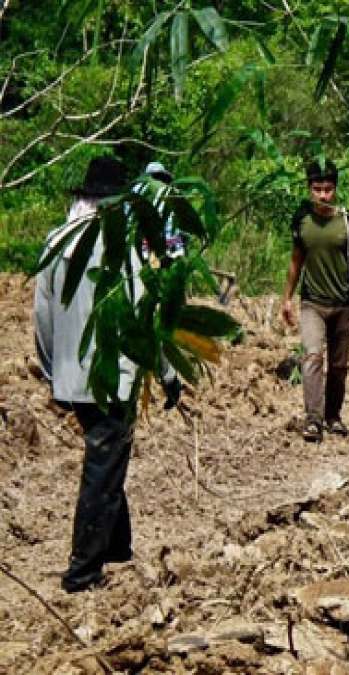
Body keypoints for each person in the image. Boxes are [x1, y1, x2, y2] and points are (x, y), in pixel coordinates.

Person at [34, 157, 182, 593]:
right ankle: (83, 570)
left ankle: (118, 547)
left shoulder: (55, 241)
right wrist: (168, 373)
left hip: (69, 374)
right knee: (103, 465)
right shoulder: (120, 247)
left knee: (107, 457)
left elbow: (41, 314)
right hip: (112, 374)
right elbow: (143, 316)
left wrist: (51, 369)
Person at [280, 160, 349, 443]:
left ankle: (334, 416)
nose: (323, 195)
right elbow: (297, 260)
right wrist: (286, 298)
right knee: (312, 356)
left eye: (328, 189)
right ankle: (313, 419)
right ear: (309, 189)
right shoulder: (302, 220)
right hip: (312, 302)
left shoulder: (346, 219)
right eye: (317, 189)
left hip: (342, 302)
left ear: (336, 189)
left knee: (340, 364)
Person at [132, 161, 186, 261]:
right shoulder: (172, 190)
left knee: (154, 270)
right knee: (176, 269)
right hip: (172, 241)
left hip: (150, 242)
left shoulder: (138, 190)